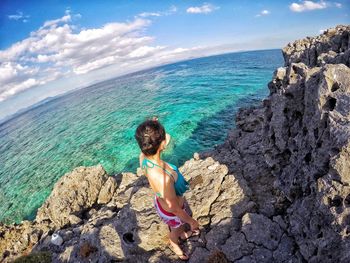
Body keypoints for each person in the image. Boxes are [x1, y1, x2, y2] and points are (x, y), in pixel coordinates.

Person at [135, 117, 200, 260]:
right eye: (164, 137)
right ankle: (174, 242)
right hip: (171, 212)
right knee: (175, 228)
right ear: (163, 144)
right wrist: (192, 221)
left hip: (160, 201)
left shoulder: (144, 160)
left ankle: (182, 233)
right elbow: (175, 208)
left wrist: (152, 127)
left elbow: (145, 149)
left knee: (178, 225)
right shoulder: (162, 177)